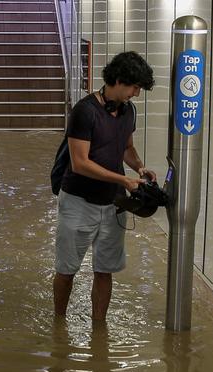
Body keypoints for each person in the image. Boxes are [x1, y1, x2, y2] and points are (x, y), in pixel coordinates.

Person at [54, 51, 155, 323]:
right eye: (135, 87)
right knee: (66, 270)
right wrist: (123, 180)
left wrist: (139, 168)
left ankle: (99, 327)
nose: (137, 94)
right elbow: (80, 163)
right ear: (119, 80)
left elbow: (127, 148)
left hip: (113, 204)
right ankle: (59, 323)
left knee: (105, 269)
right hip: (78, 201)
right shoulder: (84, 111)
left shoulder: (128, 111)